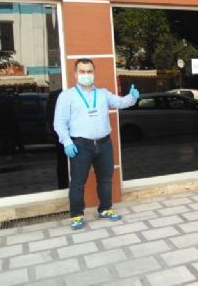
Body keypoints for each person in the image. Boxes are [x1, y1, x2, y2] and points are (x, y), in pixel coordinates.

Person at [54, 58, 139, 230]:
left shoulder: (102, 94)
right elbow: (59, 122)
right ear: (75, 74)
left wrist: (132, 97)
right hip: (80, 146)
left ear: (94, 73)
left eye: (89, 71)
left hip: (104, 144)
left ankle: (105, 209)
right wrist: (67, 142)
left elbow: (120, 102)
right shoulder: (66, 96)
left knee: (105, 180)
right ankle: (77, 216)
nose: (86, 74)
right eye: (82, 71)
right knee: (78, 183)